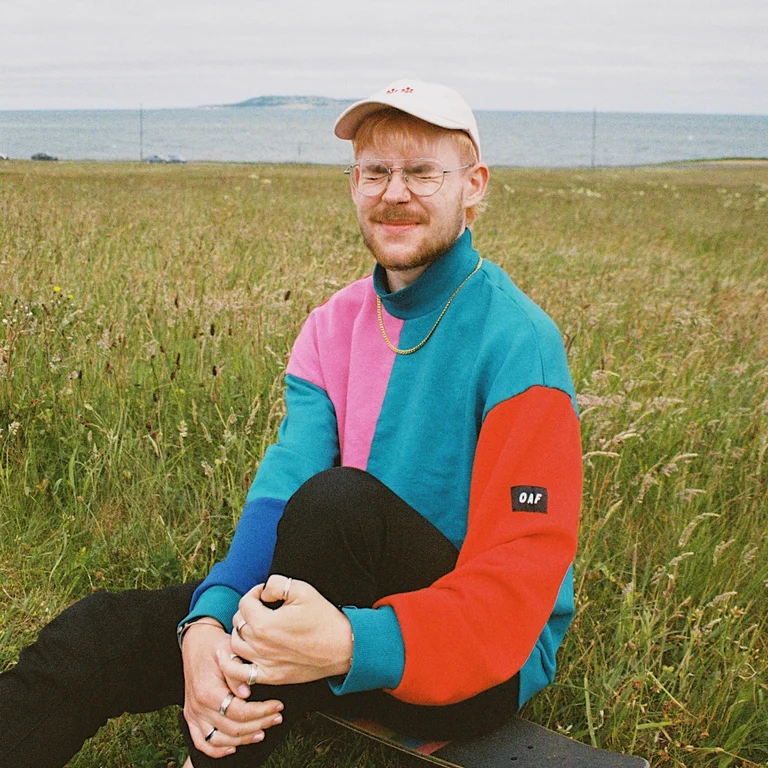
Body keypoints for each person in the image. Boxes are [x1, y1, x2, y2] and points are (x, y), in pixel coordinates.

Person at [0, 79, 582, 768]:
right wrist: (209, 620)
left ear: (474, 186)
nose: (395, 192)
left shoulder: (520, 344)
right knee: (100, 634)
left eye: (423, 171)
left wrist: (347, 644)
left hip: (474, 662)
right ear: (354, 184)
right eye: (375, 171)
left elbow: (515, 586)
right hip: (311, 613)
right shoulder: (330, 327)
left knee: (340, 505)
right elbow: (280, 495)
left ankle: (213, 757)